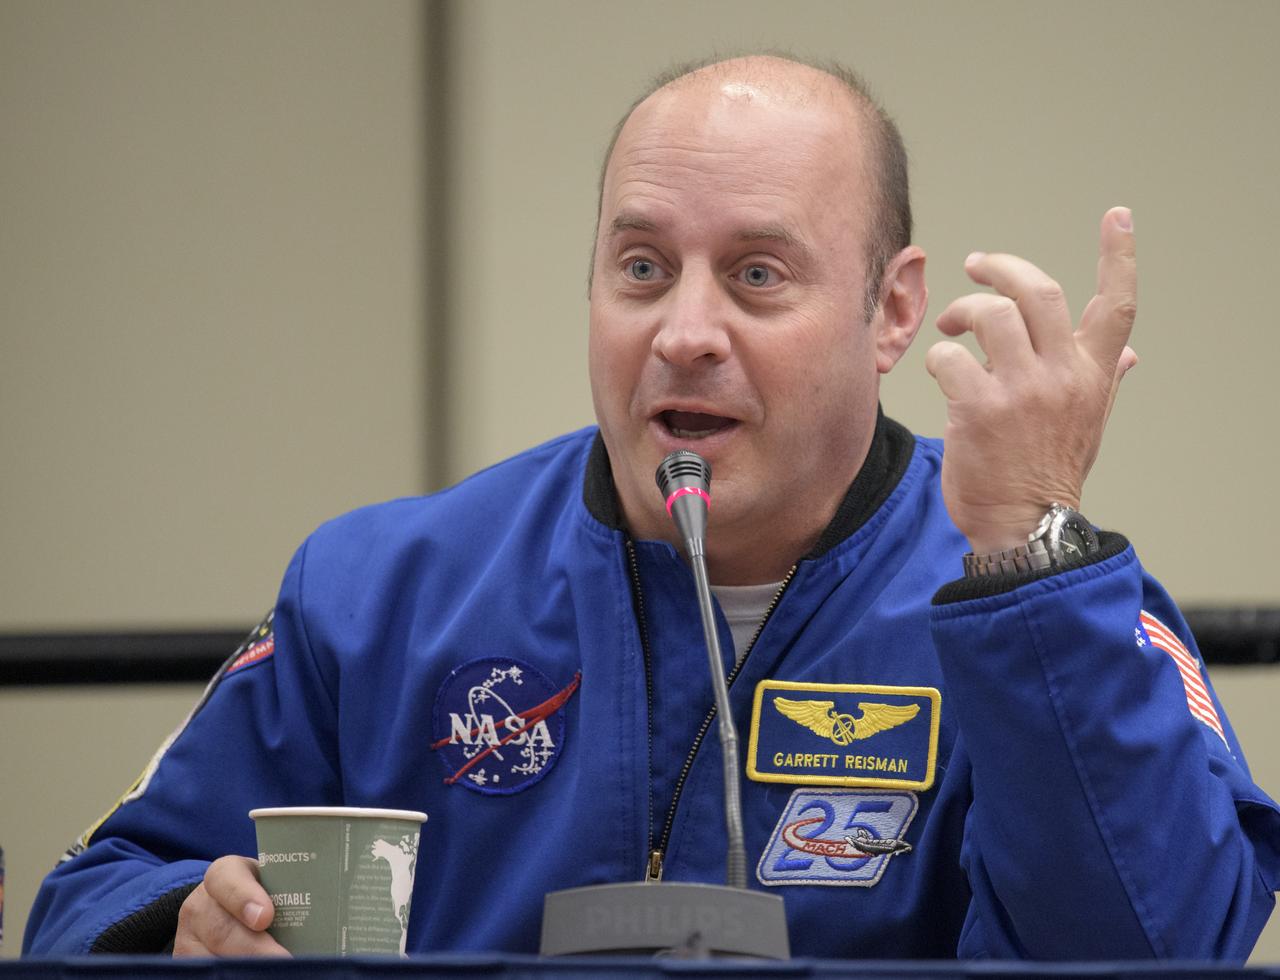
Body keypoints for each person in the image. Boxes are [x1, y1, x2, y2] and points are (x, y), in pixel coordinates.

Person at [25, 54, 1280, 960]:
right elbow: (91, 893)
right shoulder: (380, 588)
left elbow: (1154, 943)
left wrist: (1031, 552)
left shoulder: (1035, 603)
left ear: (890, 310)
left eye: (755, 273)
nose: (683, 333)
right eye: (639, 269)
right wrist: (183, 924)